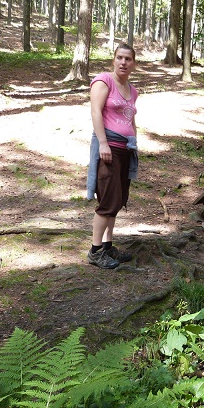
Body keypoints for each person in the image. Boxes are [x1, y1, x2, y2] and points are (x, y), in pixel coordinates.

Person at [86, 43, 139, 269]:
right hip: (109, 149)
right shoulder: (103, 81)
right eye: (120, 58)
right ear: (113, 60)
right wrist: (104, 144)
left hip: (126, 150)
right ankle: (95, 251)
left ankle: (108, 246)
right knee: (108, 200)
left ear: (133, 63)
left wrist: (135, 141)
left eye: (128, 59)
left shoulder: (133, 90)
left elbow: (131, 120)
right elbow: (96, 111)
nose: (123, 62)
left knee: (118, 199)